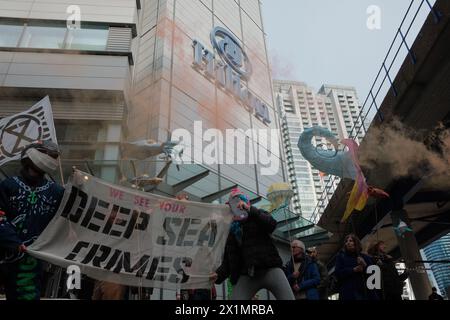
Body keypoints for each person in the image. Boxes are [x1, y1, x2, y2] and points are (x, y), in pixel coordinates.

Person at [0, 140, 64, 300]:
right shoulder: (8, 185)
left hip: (30, 260)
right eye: (47, 153)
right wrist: (13, 241)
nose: (52, 158)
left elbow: (70, 218)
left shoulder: (57, 192)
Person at [211, 188, 294, 300]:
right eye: (232, 206)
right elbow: (229, 260)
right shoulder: (231, 231)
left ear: (245, 203)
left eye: (238, 203)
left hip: (270, 269)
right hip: (247, 275)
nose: (235, 208)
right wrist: (218, 275)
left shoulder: (257, 215)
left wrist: (250, 210)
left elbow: (271, 224)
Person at [335, 234, 378, 300]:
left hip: (365, 292)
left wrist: (365, 265)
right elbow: (338, 273)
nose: (348, 243)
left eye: (351, 241)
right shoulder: (340, 257)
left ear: (356, 243)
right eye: (346, 241)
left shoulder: (364, 257)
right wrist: (353, 270)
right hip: (348, 292)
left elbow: (375, 275)